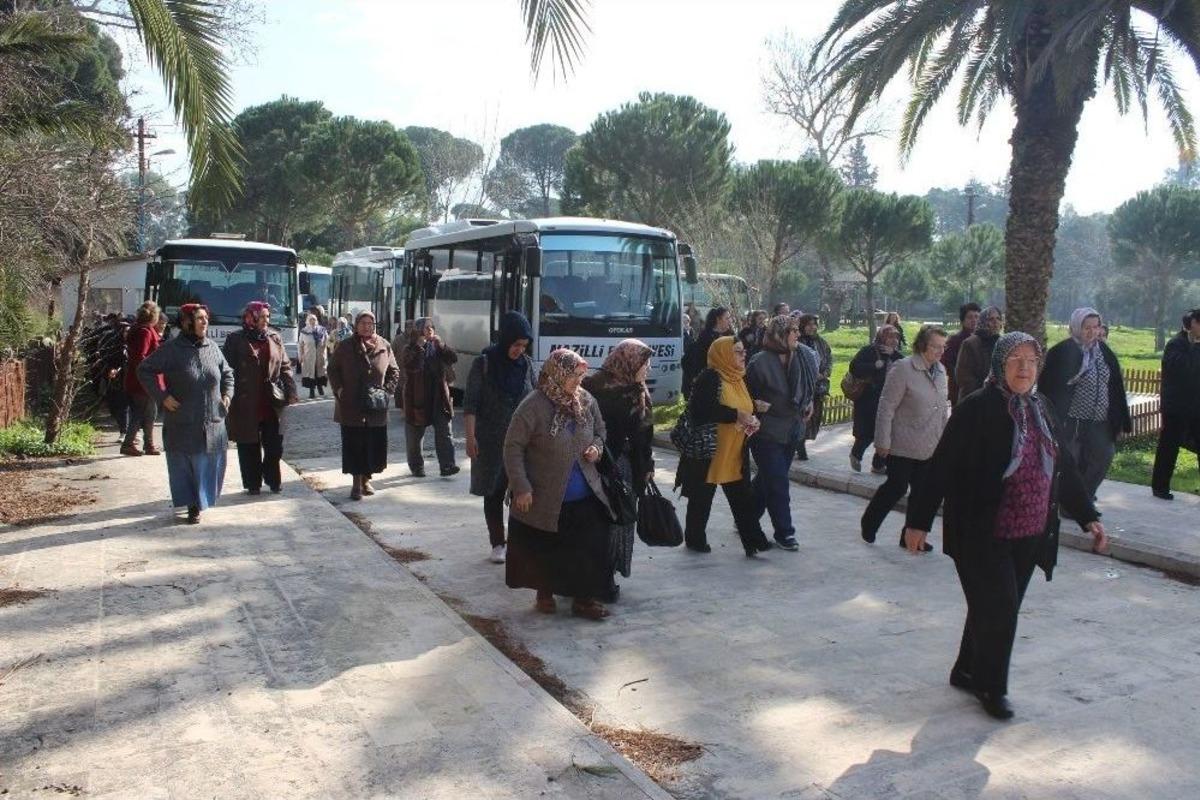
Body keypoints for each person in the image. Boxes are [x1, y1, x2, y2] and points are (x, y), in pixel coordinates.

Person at [903, 332, 1108, 721]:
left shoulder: (1042, 407)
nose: (1024, 367)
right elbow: (941, 465)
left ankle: (966, 670)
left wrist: (1088, 517)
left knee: (992, 606)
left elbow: (1063, 467)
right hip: (983, 530)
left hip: (1030, 531)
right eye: (1015, 359)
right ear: (1000, 363)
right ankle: (991, 686)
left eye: (1032, 360)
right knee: (1001, 610)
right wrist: (918, 522)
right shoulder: (977, 408)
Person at [503, 348, 616, 621]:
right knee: (546, 546)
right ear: (558, 373)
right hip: (546, 494)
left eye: (581, 374)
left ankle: (584, 600)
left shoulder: (586, 401)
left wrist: (597, 448)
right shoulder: (533, 406)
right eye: (575, 375)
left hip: (586, 491)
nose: (580, 380)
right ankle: (545, 592)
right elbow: (512, 447)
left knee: (588, 548)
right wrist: (521, 486)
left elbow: (601, 431)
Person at [137, 304, 234, 524]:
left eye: (206, 318)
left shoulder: (212, 348)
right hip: (184, 422)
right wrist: (162, 396)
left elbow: (227, 372)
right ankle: (193, 505)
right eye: (199, 318)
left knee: (209, 464)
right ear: (186, 322)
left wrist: (227, 394)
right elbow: (144, 370)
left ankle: (200, 501)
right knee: (188, 465)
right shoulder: (172, 349)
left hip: (213, 421)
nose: (204, 322)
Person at [675, 336, 772, 556]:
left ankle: (754, 542)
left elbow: (742, 405)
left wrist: (754, 410)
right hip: (709, 452)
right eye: (737, 351)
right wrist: (736, 414)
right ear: (724, 354)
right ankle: (695, 540)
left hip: (734, 451)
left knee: (742, 500)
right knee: (701, 500)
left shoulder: (739, 377)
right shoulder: (710, 378)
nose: (743, 355)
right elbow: (701, 411)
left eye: (743, 351)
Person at [860, 325, 950, 548]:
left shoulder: (941, 372)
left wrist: (946, 441)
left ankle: (909, 536)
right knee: (897, 486)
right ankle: (869, 523)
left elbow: (941, 409)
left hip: (930, 444)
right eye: (935, 346)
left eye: (943, 346)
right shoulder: (903, 368)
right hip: (902, 443)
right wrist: (882, 441)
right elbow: (886, 406)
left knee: (921, 493)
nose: (940, 351)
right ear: (921, 345)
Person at [583, 339, 656, 600]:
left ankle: (608, 573)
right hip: (596, 463)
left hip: (627, 467)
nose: (647, 368)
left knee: (621, 519)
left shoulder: (639, 391)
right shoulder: (592, 387)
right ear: (629, 361)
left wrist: (647, 465)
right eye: (644, 362)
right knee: (599, 522)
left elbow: (645, 434)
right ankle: (596, 576)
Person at [465, 311, 536, 564]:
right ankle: (498, 542)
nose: (519, 350)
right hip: (490, 439)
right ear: (505, 340)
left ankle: (520, 540)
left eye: (523, 346)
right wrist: (470, 437)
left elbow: (535, 401)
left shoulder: (526, 365)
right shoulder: (483, 364)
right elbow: (471, 404)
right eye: (515, 345)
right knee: (493, 491)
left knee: (522, 489)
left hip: (521, 443)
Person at [1038, 308, 1131, 501]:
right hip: (1071, 420)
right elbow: (1047, 388)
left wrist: (1121, 419)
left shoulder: (1105, 352)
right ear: (1075, 327)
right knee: (1069, 464)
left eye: (1096, 327)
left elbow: (1116, 388)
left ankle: (1083, 499)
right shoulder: (1062, 351)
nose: (1092, 332)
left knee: (1104, 457)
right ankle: (1068, 503)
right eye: (1086, 327)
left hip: (1100, 421)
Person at [745, 316, 816, 551]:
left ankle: (746, 518)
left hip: (793, 431)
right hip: (766, 433)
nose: (797, 334)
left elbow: (809, 388)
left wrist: (810, 403)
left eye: (797, 330)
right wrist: (756, 405)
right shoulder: (759, 362)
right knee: (778, 481)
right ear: (779, 334)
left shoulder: (803, 356)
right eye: (792, 331)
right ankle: (785, 532)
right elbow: (746, 397)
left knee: (768, 479)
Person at [223, 301, 299, 495]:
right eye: (262, 317)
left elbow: (284, 366)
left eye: (267, 317)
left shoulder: (274, 338)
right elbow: (226, 370)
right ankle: (252, 483)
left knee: (274, 446)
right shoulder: (235, 340)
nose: (266, 320)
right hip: (245, 402)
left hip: (271, 401)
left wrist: (291, 391)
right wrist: (226, 394)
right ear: (251, 318)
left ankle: (273, 479)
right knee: (248, 445)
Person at [328, 310, 400, 500]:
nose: (367, 326)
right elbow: (332, 369)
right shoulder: (345, 346)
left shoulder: (384, 345)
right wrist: (340, 390)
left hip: (376, 405)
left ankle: (367, 479)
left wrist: (387, 391)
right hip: (352, 405)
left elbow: (394, 371)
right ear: (356, 325)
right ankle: (356, 483)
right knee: (355, 444)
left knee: (372, 444)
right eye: (363, 323)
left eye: (370, 323)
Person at [1151, 309, 1200, 500]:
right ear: (1193, 323)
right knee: (1168, 448)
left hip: (1196, 407)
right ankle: (1160, 487)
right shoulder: (1176, 345)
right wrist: (1196, 348)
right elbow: (1185, 370)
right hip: (1176, 407)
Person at [401, 317, 459, 478]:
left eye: (432, 327)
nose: (430, 330)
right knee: (414, 436)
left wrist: (441, 345)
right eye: (426, 327)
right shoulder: (410, 348)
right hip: (417, 398)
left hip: (439, 397)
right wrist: (420, 347)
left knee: (445, 431)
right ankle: (417, 467)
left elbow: (453, 358)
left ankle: (447, 465)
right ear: (418, 330)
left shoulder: (437, 346)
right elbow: (410, 365)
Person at [849, 325, 903, 474]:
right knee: (869, 432)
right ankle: (856, 454)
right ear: (882, 337)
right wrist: (874, 365)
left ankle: (878, 465)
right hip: (869, 398)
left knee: (887, 433)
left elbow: (905, 366)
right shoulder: (869, 350)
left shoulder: (896, 355)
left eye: (896, 337)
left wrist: (894, 354)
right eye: (890, 337)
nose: (894, 340)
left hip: (890, 399)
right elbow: (854, 367)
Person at [120, 302, 163, 457]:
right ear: (154, 316)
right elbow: (140, 357)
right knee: (144, 412)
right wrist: (151, 372)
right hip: (143, 381)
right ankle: (131, 444)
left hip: (136, 379)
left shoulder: (138, 329)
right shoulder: (145, 332)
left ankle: (147, 444)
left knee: (146, 412)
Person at [797, 313, 833, 459]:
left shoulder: (821, 343)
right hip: (803, 386)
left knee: (815, 416)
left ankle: (802, 441)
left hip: (819, 386)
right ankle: (800, 444)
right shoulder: (798, 342)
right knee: (804, 415)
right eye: (809, 324)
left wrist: (824, 373)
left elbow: (829, 358)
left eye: (814, 324)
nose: (812, 327)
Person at [682, 306, 733, 399]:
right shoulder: (706, 337)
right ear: (718, 319)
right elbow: (698, 360)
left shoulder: (730, 335)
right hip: (710, 381)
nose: (730, 321)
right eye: (727, 318)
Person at [955, 306, 1003, 402]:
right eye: (991, 319)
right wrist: (985, 391)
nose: (995, 322)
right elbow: (963, 377)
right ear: (983, 321)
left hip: (998, 397)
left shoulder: (1002, 342)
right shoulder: (970, 343)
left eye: (998, 318)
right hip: (974, 399)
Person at [943, 303, 981, 408]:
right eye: (970, 317)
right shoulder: (955, 340)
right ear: (962, 320)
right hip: (960, 390)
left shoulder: (984, 339)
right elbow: (947, 363)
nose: (974, 320)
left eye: (977, 317)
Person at [298, 313, 329, 399]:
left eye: (314, 319)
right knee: (311, 374)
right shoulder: (304, 331)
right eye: (311, 319)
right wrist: (300, 356)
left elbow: (328, 341)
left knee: (319, 372)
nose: (312, 321)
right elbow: (300, 344)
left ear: (317, 321)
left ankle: (320, 387)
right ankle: (312, 391)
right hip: (308, 357)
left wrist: (326, 350)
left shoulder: (322, 330)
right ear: (307, 321)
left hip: (320, 356)